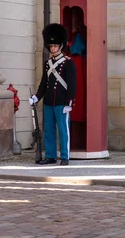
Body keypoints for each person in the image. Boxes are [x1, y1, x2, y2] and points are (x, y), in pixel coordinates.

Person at [29, 23, 77, 166]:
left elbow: (72, 84)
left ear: (61, 46)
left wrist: (70, 103)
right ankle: (50, 156)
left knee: (63, 131)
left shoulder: (68, 63)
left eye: (55, 46)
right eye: (51, 46)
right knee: (49, 130)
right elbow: (44, 83)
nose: (52, 48)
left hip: (62, 102)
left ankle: (64, 156)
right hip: (49, 102)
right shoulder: (48, 63)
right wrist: (37, 96)